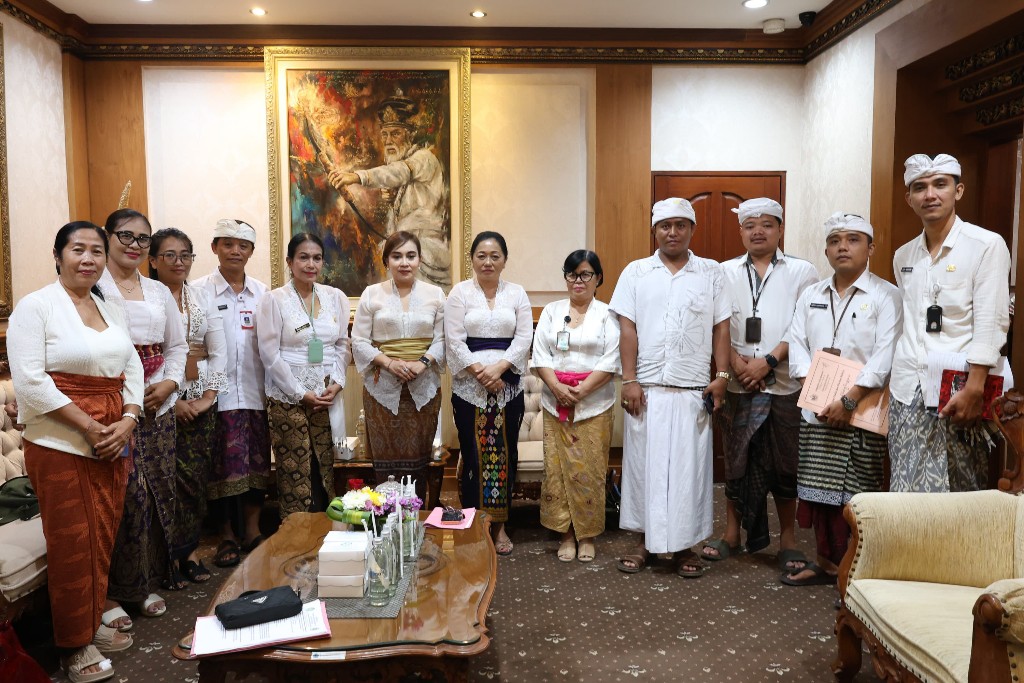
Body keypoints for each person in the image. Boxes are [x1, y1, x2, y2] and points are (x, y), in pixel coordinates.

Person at [8, 221, 143, 683]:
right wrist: (90, 426)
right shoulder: (36, 306)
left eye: (96, 251)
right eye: (77, 250)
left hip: (113, 440)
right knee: (72, 543)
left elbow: (132, 367)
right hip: (59, 441)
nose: (88, 259)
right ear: (58, 255)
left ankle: (88, 622)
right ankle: (73, 645)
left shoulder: (111, 307)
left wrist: (127, 419)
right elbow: (29, 379)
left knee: (103, 536)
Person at [609, 198, 732, 578]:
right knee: (644, 468)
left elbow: (722, 328)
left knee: (689, 471)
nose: (673, 232)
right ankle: (644, 542)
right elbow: (627, 328)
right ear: (655, 230)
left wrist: (722, 376)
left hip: (694, 389)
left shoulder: (711, 273)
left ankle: (684, 546)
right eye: (665, 226)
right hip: (646, 388)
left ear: (692, 229)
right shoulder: (636, 272)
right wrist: (629, 380)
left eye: (681, 225)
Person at [783, 213, 902, 586]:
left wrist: (848, 399)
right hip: (817, 407)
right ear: (826, 250)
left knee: (857, 494)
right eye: (835, 240)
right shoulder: (811, 294)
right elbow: (797, 342)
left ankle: (859, 570)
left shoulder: (886, 295)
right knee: (819, 497)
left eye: (852, 240)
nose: (843, 247)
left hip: (863, 410)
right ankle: (826, 563)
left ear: (870, 248)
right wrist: (814, 389)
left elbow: (885, 354)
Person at [704, 198, 818, 573]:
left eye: (767, 224)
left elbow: (804, 326)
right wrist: (737, 364)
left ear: (781, 229)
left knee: (787, 465)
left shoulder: (803, 272)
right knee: (736, 462)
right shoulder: (722, 272)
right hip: (738, 385)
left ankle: (788, 539)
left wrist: (768, 361)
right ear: (740, 231)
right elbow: (717, 324)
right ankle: (732, 534)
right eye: (750, 225)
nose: (757, 231)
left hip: (785, 384)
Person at [889, 153, 1012, 492]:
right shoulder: (903, 256)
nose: (930, 194)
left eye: (940, 185)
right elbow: (911, 322)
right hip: (906, 389)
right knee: (905, 493)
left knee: (956, 496)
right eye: (920, 187)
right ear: (909, 198)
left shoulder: (986, 245)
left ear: (958, 191)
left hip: (957, 392)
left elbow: (992, 321)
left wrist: (975, 388)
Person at [97, 208, 187, 629]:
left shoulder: (157, 291)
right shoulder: (91, 286)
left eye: (142, 239)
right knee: (124, 497)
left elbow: (178, 347)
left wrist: (170, 385)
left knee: (159, 494)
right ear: (107, 237)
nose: (134, 245)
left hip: (160, 404)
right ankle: (113, 591)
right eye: (126, 236)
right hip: (114, 406)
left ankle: (147, 580)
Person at [445, 231, 532, 555]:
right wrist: (480, 373)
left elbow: (524, 338)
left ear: (504, 260)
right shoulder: (459, 293)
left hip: (508, 385)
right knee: (473, 456)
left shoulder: (517, 293)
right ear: (472, 259)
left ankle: (500, 527)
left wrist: (499, 370)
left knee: (505, 456)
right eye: (481, 255)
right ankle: (474, 524)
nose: (488, 261)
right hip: (470, 388)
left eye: (495, 255)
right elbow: (454, 340)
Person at [531, 250, 620, 563]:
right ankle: (565, 534)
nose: (578, 281)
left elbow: (611, 359)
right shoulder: (553, 312)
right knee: (556, 471)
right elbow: (540, 354)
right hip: (556, 403)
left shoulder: (609, 314)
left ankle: (587, 535)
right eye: (572, 274)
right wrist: (557, 387)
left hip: (593, 405)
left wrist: (580, 391)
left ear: (598, 279)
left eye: (585, 274)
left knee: (590, 472)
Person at [149, 228, 227, 586]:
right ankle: (168, 558)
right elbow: (146, 356)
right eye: (169, 255)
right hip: (160, 401)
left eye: (185, 255)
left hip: (202, 397)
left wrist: (209, 396)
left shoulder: (201, 297)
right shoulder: (146, 298)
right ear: (152, 260)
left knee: (196, 481)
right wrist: (173, 400)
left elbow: (219, 348)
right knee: (166, 482)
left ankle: (191, 550)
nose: (179, 262)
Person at [192, 219, 271, 568]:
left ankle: (253, 529)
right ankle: (225, 534)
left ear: (252, 251)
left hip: (256, 390)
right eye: (227, 244)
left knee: (256, 462)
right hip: (215, 395)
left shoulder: (263, 292)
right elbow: (192, 345)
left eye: (243, 246)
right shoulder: (197, 291)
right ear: (214, 248)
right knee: (220, 468)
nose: (235, 251)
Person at [257, 232, 349, 518]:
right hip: (287, 396)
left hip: (324, 394)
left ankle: (326, 530)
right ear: (290, 261)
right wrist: (299, 393)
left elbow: (342, 345)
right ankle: (296, 538)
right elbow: (269, 354)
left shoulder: (335, 297)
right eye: (303, 257)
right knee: (295, 467)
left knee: (325, 463)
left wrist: (337, 383)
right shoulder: (274, 300)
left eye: (317, 258)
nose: (311, 264)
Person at [351, 230, 445, 500]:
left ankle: (417, 515)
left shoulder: (436, 295)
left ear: (419, 260)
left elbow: (443, 339)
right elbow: (358, 341)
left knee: (420, 456)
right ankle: (386, 514)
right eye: (397, 256)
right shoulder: (371, 295)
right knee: (385, 458)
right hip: (382, 389)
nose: (404, 262)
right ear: (387, 261)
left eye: (410, 256)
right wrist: (389, 363)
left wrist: (423, 363)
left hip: (423, 385)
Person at [328, 89, 450, 288]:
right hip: (403, 258)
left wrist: (357, 176)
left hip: (427, 258)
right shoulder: (404, 170)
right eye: (384, 134)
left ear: (409, 135)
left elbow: (398, 172)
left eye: (395, 133)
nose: (388, 140)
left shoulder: (424, 159)